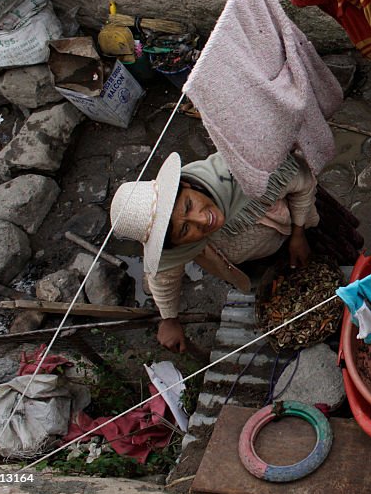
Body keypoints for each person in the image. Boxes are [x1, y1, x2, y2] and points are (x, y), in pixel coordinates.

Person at [109, 151, 318, 353]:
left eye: (189, 205)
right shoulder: (173, 248)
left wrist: (298, 234)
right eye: (184, 230)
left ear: (186, 185)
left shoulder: (244, 173)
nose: (202, 219)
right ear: (175, 245)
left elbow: (302, 180)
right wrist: (170, 319)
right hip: (244, 260)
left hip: (294, 227)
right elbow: (164, 279)